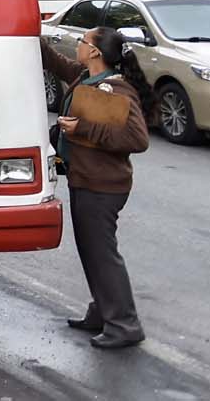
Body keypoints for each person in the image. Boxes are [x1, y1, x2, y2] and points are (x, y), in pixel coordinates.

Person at [43, 27, 152, 349]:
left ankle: (124, 323)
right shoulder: (83, 76)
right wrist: (27, 30)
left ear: (95, 52)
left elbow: (137, 140)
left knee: (103, 255)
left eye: (82, 41)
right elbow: (53, 61)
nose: (77, 45)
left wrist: (83, 128)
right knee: (92, 253)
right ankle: (102, 312)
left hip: (104, 185)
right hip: (85, 178)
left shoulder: (116, 89)